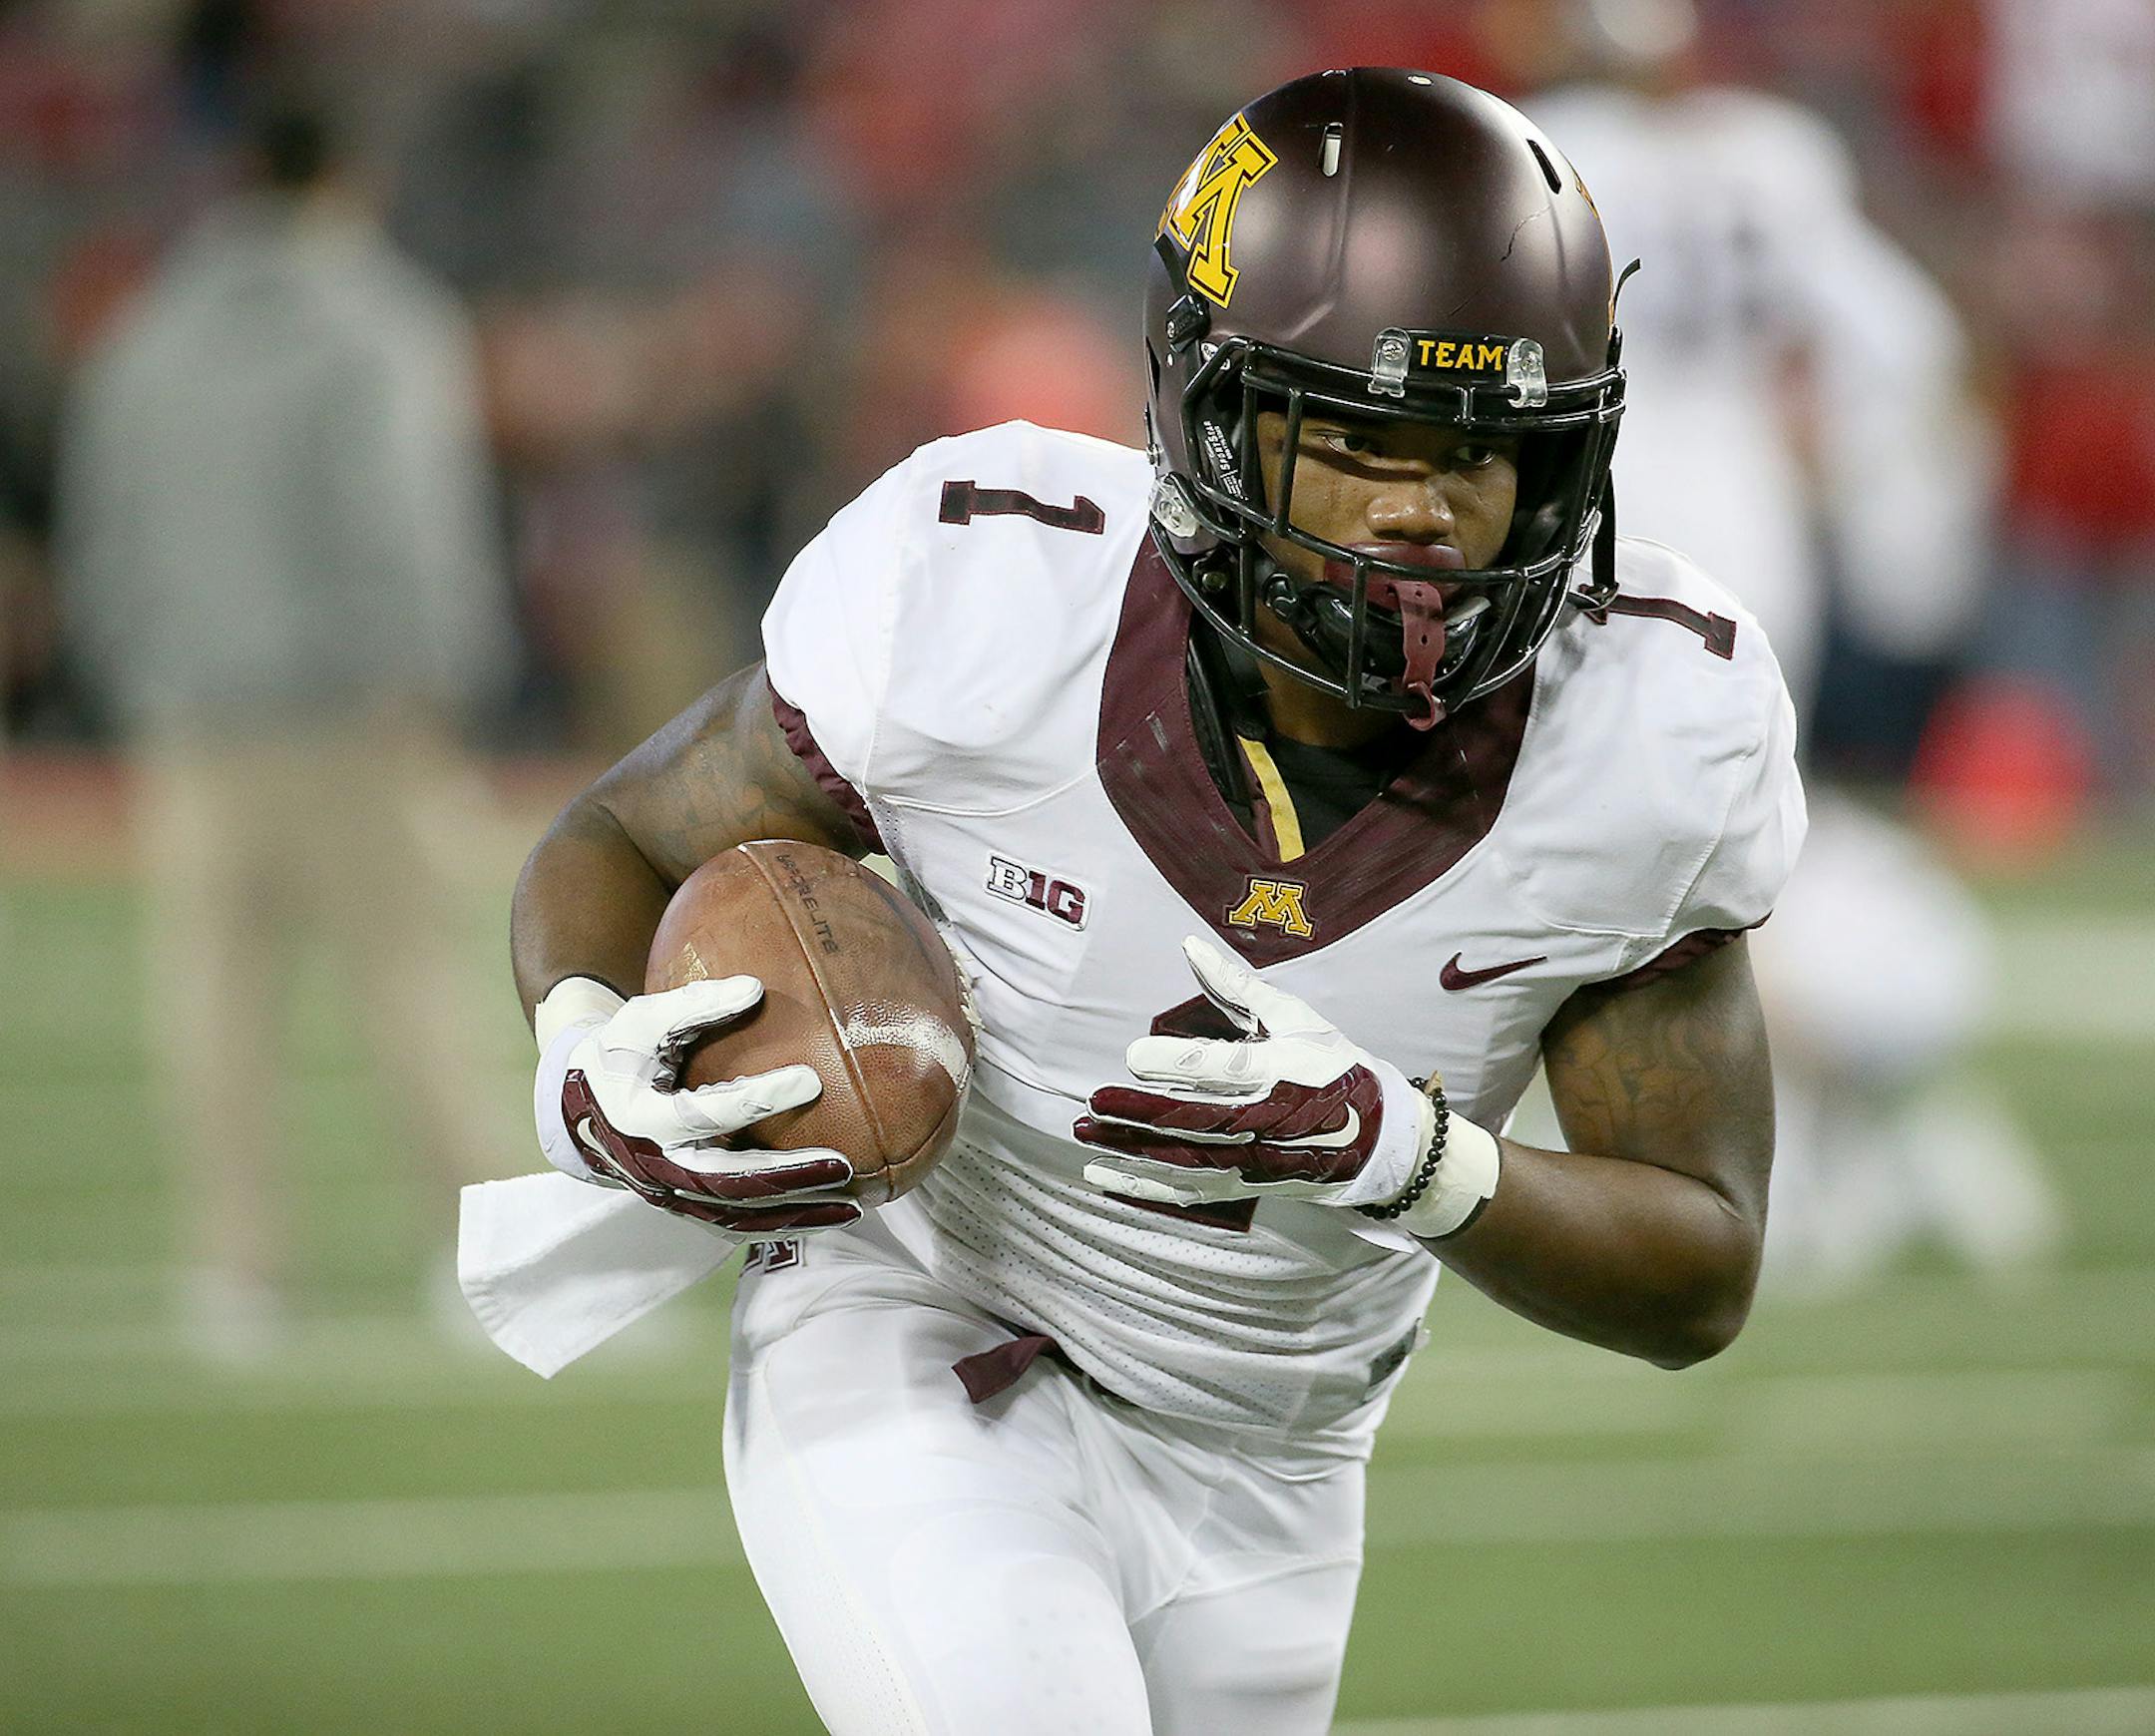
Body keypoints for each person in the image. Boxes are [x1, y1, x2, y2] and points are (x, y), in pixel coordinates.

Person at [498, 70, 1803, 1734]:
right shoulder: (980, 599)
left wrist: (1411, 1159)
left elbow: (1700, 1270)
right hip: (923, 1324)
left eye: (1482, 454)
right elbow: (617, 840)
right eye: (1356, 439)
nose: (1424, 508)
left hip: (1275, 1455)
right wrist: (583, 1045)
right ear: (1208, 411)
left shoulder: (1648, 733)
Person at [1529, 0, 2064, 1286]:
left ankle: (1823, 1128)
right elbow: (1905, 338)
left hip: (1611, 513)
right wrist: (1890, 500)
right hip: (1758, 522)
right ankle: (1857, 1120)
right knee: (1742, 845)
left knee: (1631, 849)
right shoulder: (1773, 151)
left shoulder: (1549, 144)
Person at [58, 97, 518, 1356]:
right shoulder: (378, 319)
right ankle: (475, 1262)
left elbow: (98, 531)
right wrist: (440, 675)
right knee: (416, 982)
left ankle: (235, 1270)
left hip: (191, 718)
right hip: (349, 716)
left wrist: (141, 674)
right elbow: (404, 517)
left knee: (211, 999)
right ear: (347, 183)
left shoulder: (146, 331)